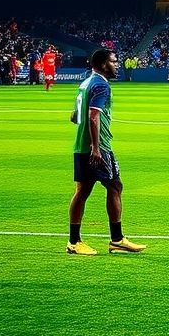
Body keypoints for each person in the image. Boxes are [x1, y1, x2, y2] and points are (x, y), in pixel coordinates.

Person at [67, 48, 145, 256]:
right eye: (114, 61)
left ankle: (74, 242)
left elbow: (74, 116)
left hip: (81, 145)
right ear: (103, 64)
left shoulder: (86, 83)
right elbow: (93, 116)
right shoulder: (101, 84)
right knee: (115, 186)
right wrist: (96, 147)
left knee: (82, 191)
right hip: (98, 146)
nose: (117, 64)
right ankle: (116, 239)